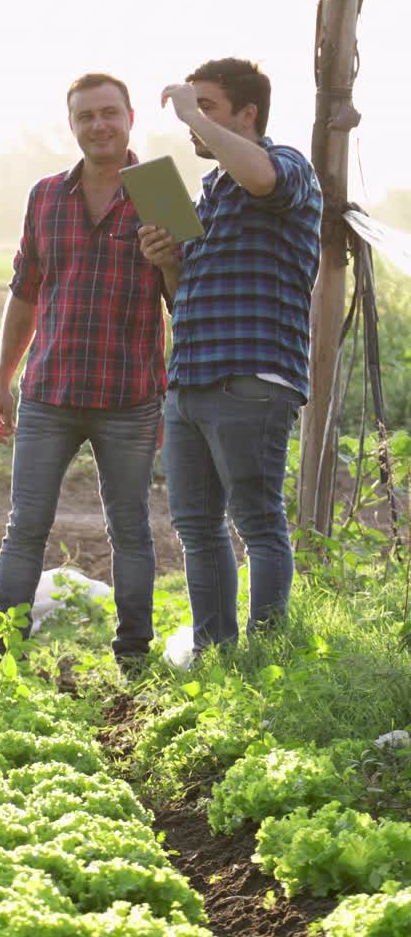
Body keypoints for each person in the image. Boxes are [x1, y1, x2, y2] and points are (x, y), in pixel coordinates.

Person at [0, 72, 168, 667]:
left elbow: (186, 299)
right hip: (48, 392)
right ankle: (7, 643)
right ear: (73, 125)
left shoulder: (159, 189)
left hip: (130, 395)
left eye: (109, 113)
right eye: (86, 116)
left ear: (131, 117)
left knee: (130, 529)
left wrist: (170, 262)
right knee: (26, 524)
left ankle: (133, 649)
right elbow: (25, 294)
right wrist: (1, 383)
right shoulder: (45, 196)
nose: (98, 125)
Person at [139, 57, 322, 656]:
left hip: (252, 376)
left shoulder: (286, 166)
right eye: (194, 112)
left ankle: (268, 657)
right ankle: (219, 654)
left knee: (259, 523)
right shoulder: (210, 192)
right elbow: (186, 296)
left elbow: (265, 177)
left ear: (248, 115)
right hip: (190, 378)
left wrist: (191, 111)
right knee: (196, 527)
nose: (194, 124)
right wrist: (168, 262)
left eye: (208, 108)